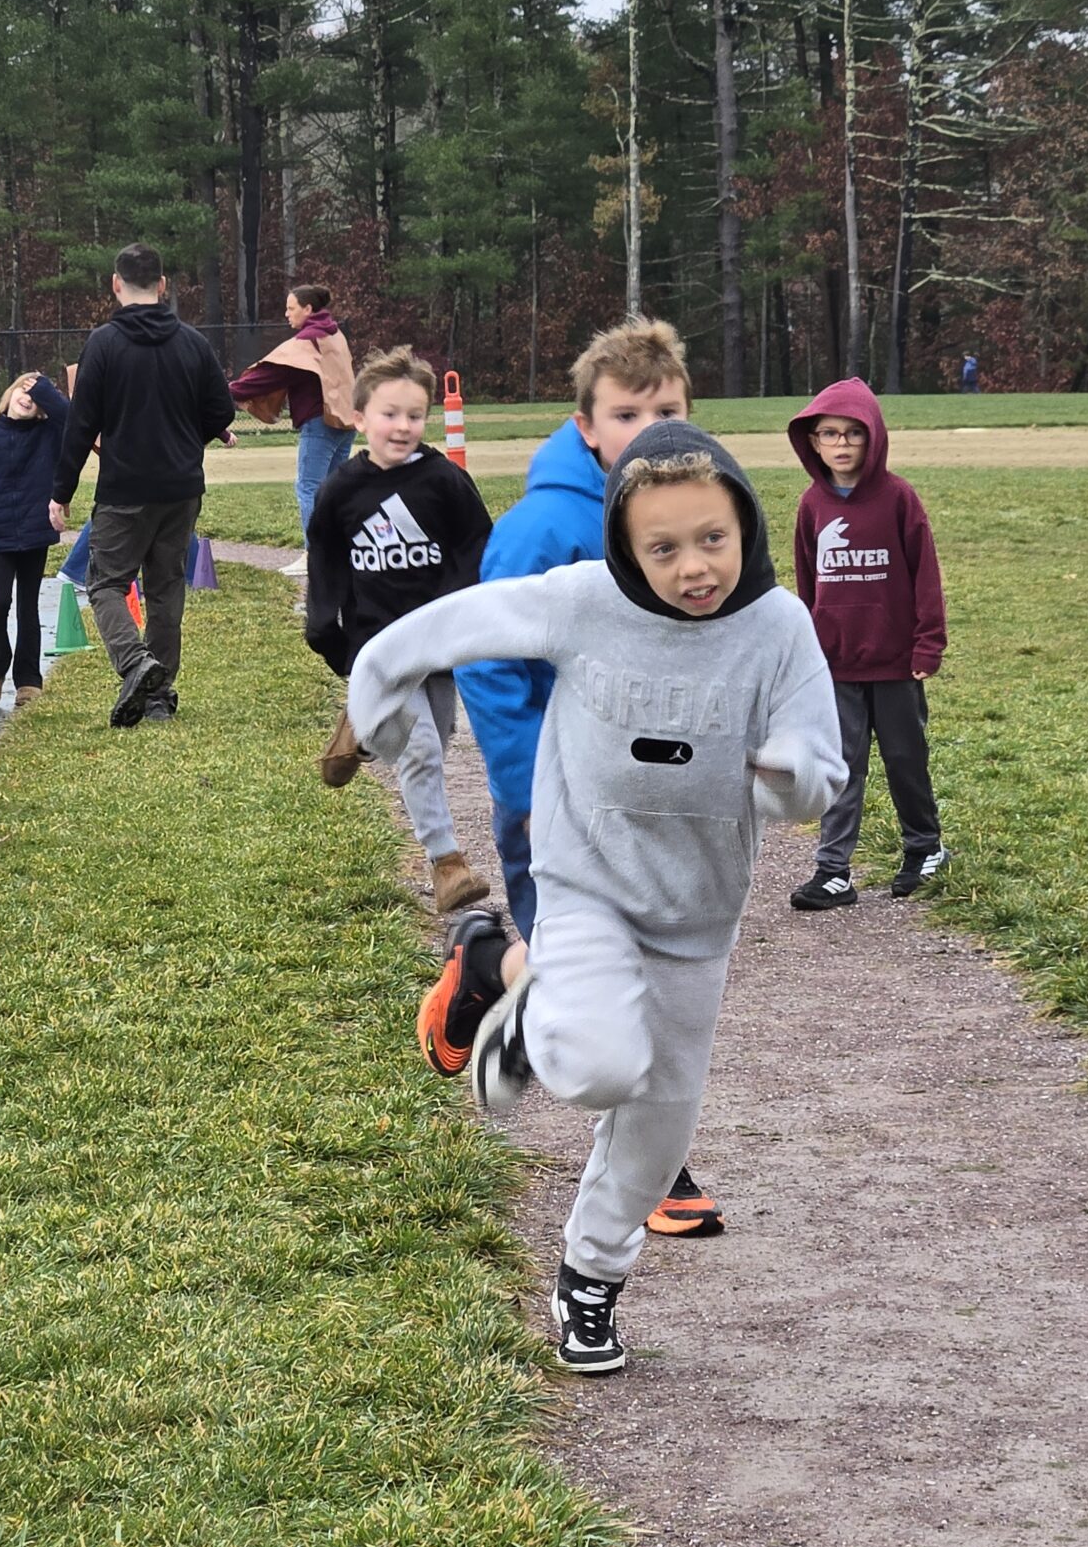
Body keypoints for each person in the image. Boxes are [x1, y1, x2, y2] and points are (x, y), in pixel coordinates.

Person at [350, 423, 844, 1373]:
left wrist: (787, 776)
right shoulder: (581, 601)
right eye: (664, 548)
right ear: (626, 546)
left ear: (745, 525)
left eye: (712, 538)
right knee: (597, 1069)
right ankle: (519, 993)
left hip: (698, 919)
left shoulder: (779, 627)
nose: (693, 566)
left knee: (661, 1123)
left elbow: (821, 771)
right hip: (587, 886)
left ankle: (588, 1280)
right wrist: (375, 698)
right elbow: (435, 631)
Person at [455, 315, 723, 1240]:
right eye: (627, 414)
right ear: (586, 425)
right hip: (558, 803)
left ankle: (489, 967)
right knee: (609, 985)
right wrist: (533, 791)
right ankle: (657, 1170)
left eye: (669, 411)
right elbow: (488, 662)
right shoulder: (545, 528)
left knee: (644, 969)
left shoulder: (690, 520)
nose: (651, 430)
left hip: (651, 800)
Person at [305, 345, 493, 915]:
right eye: (390, 414)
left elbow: (476, 549)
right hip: (379, 645)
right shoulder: (342, 490)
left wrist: (462, 618)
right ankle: (447, 863)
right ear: (360, 418)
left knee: (439, 733)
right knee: (421, 750)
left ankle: (362, 727)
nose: (403, 426)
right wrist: (330, 636)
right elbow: (327, 565)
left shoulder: (445, 481)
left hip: (436, 643)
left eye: (415, 415)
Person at [49, 242, 236, 727]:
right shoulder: (192, 343)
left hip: (125, 488)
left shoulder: (104, 344)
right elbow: (221, 410)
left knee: (106, 583)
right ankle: (157, 697)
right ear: (163, 286)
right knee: (166, 588)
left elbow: (81, 424)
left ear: (116, 284)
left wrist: (61, 491)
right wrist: (186, 441)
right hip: (181, 487)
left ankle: (135, 663)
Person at [785, 377, 949, 910]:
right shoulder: (812, 504)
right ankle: (833, 871)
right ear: (813, 442)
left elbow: (925, 575)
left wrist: (928, 643)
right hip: (837, 666)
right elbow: (809, 586)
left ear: (873, 437)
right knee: (841, 766)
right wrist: (811, 650)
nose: (841, 444)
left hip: (897, 663)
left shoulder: (898, 498)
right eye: (829, 434)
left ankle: (924, 849)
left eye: (853, 433)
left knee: (905, 759)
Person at [0, 373, 71, 707]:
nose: (27, 398)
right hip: (0, 535)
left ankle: (29, 680)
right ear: (9, 393)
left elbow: (73, 419)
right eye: (23, 390)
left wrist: (45, 390)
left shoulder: (49, 434)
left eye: (36, 397)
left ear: (43, 407)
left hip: (35, 534)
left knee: (28, 607)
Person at [229, 284, 355, 575]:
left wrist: (224, 390)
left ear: (308, 309)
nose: (286, 314)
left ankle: (315, 556)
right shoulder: (334, 335)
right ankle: (336, 554)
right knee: (333, 490)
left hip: (320, 423)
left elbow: (269, 376)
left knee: (309, 488)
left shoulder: (307, 342)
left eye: (291, 308)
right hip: (345, 422)